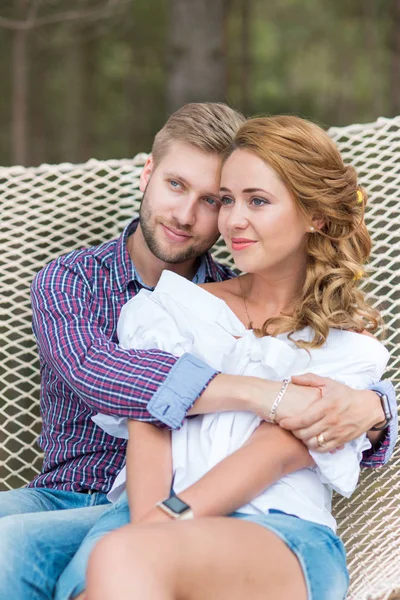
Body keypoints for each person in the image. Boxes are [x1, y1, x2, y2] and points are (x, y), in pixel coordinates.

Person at [0, 104, 395, 600]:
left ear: (314, 215)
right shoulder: (101, 288)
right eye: (179, 187)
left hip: (252, 519)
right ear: (147, 175)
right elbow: (111, 379)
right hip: (79, 495)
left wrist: (376, 407)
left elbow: (289, 443)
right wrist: (265, 396)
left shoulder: (331, 337)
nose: (203, 217)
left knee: (111, 558)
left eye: (217, 199)